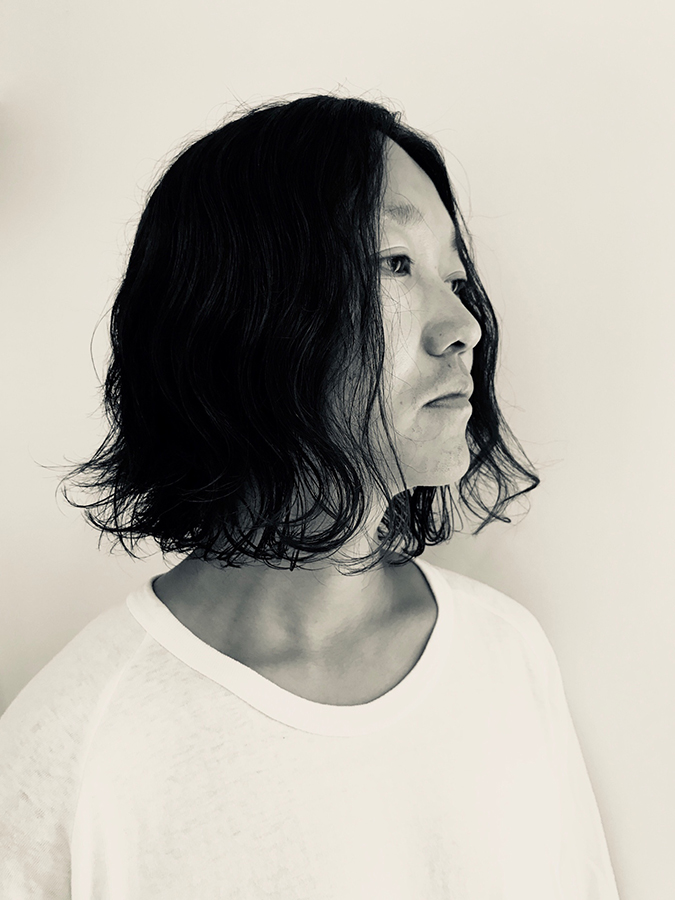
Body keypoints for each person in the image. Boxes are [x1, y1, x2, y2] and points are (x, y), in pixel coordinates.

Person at [0, 94, 620, 898]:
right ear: (246, 307)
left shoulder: (505, 656)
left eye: (456, 277)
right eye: (394, 263)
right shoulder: (74, 750)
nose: (463, 325)